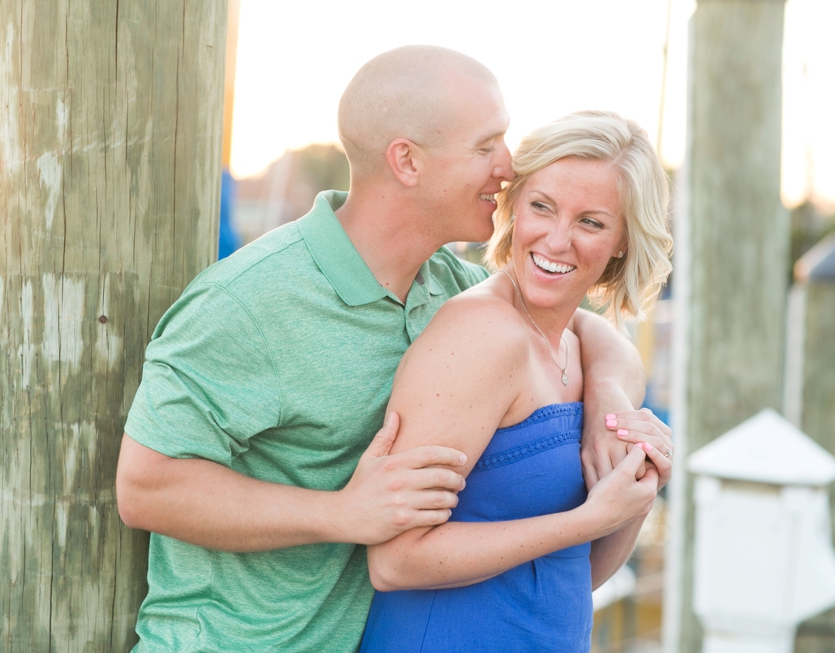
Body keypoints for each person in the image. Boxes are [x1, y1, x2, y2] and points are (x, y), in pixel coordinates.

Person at [115, 47, 655, 653]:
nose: (508, 167)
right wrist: (341, 513)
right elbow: (145, 487)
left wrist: (609, 405)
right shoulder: (250, 301)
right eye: (486, 146)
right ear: (407, 161)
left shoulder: (442, 280)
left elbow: (576, 327)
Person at [359, 110, 674, 653]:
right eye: (541, 207)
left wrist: (636, 492)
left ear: (624, 240)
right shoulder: (481, 335)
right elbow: (395, 560)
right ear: (513, 205)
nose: (556, 240)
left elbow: (577, 575)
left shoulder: (577, 346)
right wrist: (585, 519)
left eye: (591, 222)